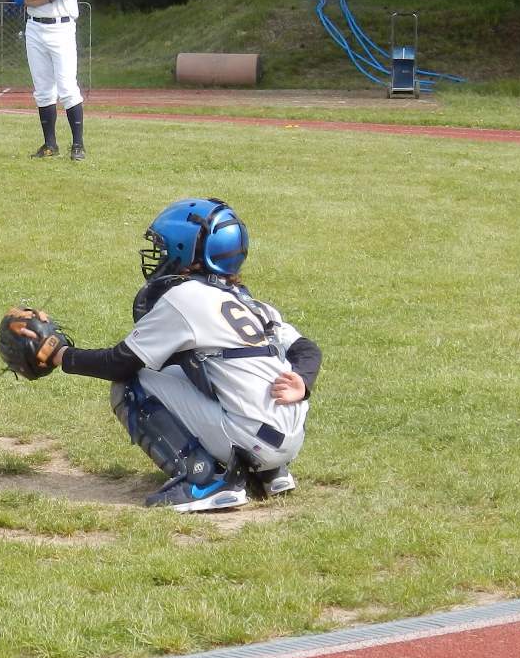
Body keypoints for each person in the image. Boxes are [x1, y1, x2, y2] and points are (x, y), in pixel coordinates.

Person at [45, 197, 319, 512]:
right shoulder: (250, 303)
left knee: (133, 385)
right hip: (287, 439)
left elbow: (120, 364)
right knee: (182, 370)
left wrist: (60, 355)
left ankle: (203, 481)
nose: (158, 255)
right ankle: (269, 473)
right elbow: (306, 349)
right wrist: (303, 380)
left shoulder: (186, 296)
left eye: (163, 247)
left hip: (252, 436)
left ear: (187, 252)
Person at [14, 0, 87, 160]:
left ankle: (77, 145)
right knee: (43, 89)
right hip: (35, 28)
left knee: (67, 87)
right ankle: (50, 144)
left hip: (62, 27)